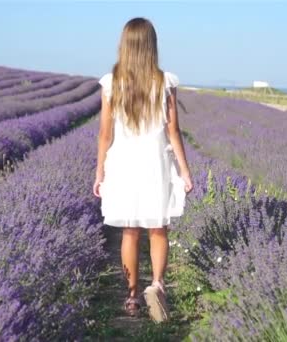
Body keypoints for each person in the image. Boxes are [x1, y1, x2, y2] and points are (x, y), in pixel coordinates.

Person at [93, 17, 193, 322]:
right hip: (155, 162)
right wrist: (185, 171)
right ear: (152, 45)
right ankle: (158, 286)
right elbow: (173, 131)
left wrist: (99, 172)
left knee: (130, 231)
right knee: (158, 228)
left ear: (124, 44)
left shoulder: (112, 82)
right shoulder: (165, 82)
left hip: (123, 164)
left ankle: (132, 296)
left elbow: (105, 134)